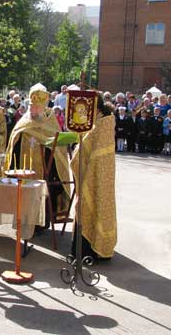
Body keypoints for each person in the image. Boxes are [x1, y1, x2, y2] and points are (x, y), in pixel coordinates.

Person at [4, 83, 72, 230]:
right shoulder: (24, 121)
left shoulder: (51, 122)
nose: (32, 110)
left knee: (45, 192)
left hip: (46, 169)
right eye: (31, 107)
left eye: (36, 107)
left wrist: (48, 148)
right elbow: (14, 140)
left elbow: (59, 150)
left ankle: (41, 224)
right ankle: (24, 222)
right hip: (23, 167)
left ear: (43, 106)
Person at [71, 97, 117, 260]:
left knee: (88, 205)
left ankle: (89, 250)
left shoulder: (103, 123)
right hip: (96, 171)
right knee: (92, 204)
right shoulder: (101, 122)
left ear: (95, 108)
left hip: (96, 172)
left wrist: (77, 154)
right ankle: (90, 248)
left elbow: (87, 149)